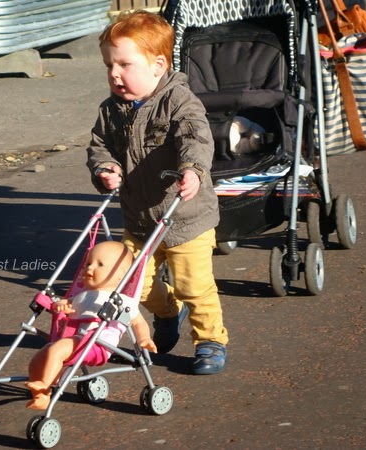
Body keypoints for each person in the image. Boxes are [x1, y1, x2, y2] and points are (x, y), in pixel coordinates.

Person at [86, 10, 229, 376]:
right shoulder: (111, 110)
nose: (114, 74)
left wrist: (192, 170)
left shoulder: (179, 102)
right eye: (109, 65)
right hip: (139, 220)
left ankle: (210, 340)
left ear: (157, 65)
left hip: (185, 219)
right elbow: (99, 145)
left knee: (193, 285)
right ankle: (168, 312)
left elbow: (195, 139)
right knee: (132, 286)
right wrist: (104, 168)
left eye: (124, 64)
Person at [26, 240, 157, 410]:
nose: (89, 268)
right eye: (88, 263)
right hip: (76, 341)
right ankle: (39, 393)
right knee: (38, 359)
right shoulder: (81, 296)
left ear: (121, 275)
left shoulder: (123, 301)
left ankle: (45, 388)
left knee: (56, 351)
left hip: (97, 345)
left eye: (99, 264)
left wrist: (144, 339)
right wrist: (60, 306)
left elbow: (139, 322)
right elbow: (63, 305)